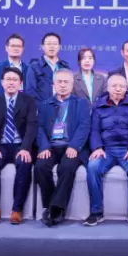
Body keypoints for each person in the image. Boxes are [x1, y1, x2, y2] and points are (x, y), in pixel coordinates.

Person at [85, 74, 128, 228]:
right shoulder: (98, 106)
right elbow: (94, 130)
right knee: (92, 167)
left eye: (121, 86)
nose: (118, 89)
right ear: (107, 88)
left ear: (126, 88)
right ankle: (96, 212)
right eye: (114, 86)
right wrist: (97, 147)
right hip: (106, 150)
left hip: (127, 149)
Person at [34, 69, 91, 227]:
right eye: (59, 82)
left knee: (67, 167)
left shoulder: (81, 103)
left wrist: (74, 146)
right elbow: (39, 127)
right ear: (53, 84)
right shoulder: (45, 104)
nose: (63, 85)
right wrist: (44, 147)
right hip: (51, 146)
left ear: (72, 85)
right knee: (40, 166)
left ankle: (56, 209)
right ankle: (51, 206)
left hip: (71, 146)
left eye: (66, 82)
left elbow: (84, 126)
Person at [0, 68, 37, 225]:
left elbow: (32, 126)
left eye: (15, 80)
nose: (11, 82)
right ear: (2, 82)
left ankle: (17, 210)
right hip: (1, 145)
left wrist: (25, 148)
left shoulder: (29, 101)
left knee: (24, 163)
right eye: (8, 79)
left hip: (21, 145)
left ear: (21, 83)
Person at [25, 32, 70, 103]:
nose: (52, 46)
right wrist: (43, 107)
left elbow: (69, 90)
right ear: (42, 47)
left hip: (63, 107)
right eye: (49, 44)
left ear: (59, 47)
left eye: (55, 44)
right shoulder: (34, 67)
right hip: (42, 108)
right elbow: (30, 92)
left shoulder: (65, 67)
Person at [0, 34, 29, 100]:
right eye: (13, 46)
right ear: (6, 48)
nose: (16, 48)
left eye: (19, 46)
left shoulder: (28, 69)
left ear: (23, 49)